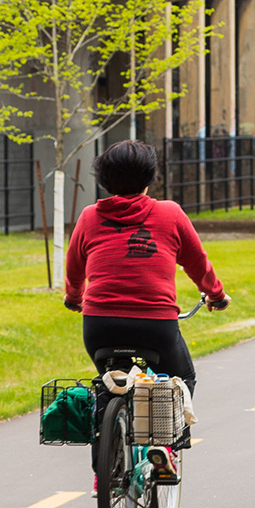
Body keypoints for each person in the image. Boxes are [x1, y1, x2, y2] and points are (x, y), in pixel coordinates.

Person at [64, 140, 230, 416]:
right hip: (155, 324)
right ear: (149, 178)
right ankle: (167, 448)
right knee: (181, 379)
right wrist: (215, 295)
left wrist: (73, 298)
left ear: (104, 180)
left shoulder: (89, 216)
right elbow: (197, 264)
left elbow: (74, 266)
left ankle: (105, 442)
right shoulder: (170, 213)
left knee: (110, 384)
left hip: (99, 325)